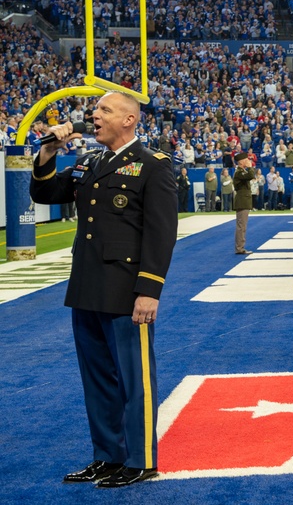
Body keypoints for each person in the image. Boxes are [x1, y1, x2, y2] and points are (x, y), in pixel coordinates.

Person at [30, 91, 177, 488]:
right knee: (96, 380)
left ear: (129, 120)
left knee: (134, 379)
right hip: (87, 287)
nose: (93, 116)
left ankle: (140, 459)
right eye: (95, 111)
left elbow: (161, 233)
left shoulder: (153, 166)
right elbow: (44, 193)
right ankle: (108, 457)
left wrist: (149, 289)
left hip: (128, 291)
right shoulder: (90, 163)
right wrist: (49, 152)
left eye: (104, 110)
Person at [232, 152, 255, 254]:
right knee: (242, 226)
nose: (248, 161)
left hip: (243, 200)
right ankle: (239, 248)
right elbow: (251, 175)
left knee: (242, 225)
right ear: (241, 162)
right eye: (246, 160)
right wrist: (250, 167)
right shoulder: (239, 172)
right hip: (242, 200)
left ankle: (240, 247)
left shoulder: (241, 172)